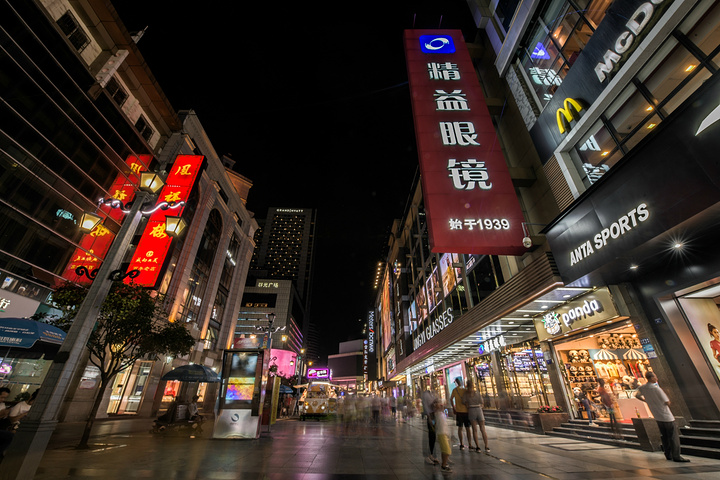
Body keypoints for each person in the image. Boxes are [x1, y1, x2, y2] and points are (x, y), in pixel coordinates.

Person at [635, 371, 689, 462]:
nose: (657, 378)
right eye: (655, 376)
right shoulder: (656, 389)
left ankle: (668, 454)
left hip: (656, 415)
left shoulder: (643, 387)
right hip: (666, 415)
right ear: (651, 378)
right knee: (673, 436)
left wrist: (646, 401)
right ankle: (676, 455)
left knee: (664, 436)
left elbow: (637, 395)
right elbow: (667, 401)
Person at [464, 380, 489, 452]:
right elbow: (482, 402)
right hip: (479, 409)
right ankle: (486, 446)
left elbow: (464, 402)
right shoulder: (477, 393)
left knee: (474, 430)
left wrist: (468, 406)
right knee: (483, 429)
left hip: (471, 410)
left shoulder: (466, 394)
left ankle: (478, 447)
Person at [450, 377, 471, 449]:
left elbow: (451, 399)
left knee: (460, 428)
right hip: (466, 411)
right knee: (468, 428)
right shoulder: (465, 390)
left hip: (459, 411)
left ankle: (462, 444)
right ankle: (470, 444)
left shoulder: (455, 390)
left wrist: (453, 407)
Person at [433, 399, 453, 472]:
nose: (441, 404)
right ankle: (444, 465)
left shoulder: (441, 413)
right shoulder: (437, 413)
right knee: (446, 450)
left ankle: (444, 464)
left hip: (445, 433)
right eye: (438, 403)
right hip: (441, 434)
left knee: (445, 450)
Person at [421, 388, 439, 465]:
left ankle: (432, 454)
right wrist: (429, 417)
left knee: (433, 435)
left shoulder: (431, 394)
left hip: (434, 415)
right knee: (431, 435)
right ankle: (429, 455)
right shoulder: (425, 395)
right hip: (430, 416)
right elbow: (425, 406)